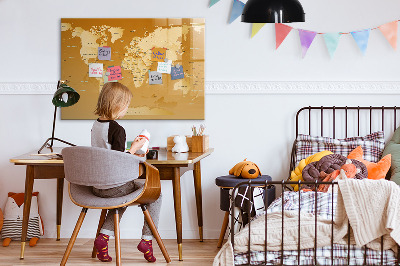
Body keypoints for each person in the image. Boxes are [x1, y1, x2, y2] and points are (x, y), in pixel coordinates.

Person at [91, 82, 162, 263]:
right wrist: (135, 148)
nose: (126, 109)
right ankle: (147, 240)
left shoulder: (96, 125)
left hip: (97, 186)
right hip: (114, 186)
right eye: (126, 105)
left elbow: (108, 154)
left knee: (121, 198)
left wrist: (132, 150)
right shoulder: (117, 129)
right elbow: (119, 161)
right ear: (117, 105)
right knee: (156, 194)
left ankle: (104, 238)